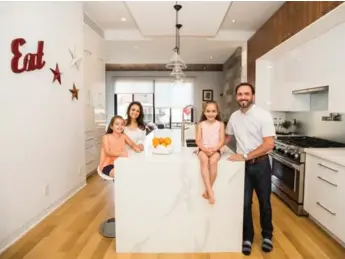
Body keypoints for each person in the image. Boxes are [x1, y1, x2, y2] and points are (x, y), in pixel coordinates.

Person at [224, 82, 275, 256]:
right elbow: (227, 137)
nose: (243, 97)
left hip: (260, 165)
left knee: (264, 202)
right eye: (240, 94)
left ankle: (267, 235)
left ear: (252, 96)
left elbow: (269, 144)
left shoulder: (263, 115)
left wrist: (246, 156)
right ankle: (247, 237)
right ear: (237, 96)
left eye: (246, 94)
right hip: (242, 168)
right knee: (245, 204)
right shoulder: (233, 116)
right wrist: (209, 147)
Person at [196, 101, 225, 205]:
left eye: (213, 111)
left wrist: (214, 149)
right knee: (204, 160)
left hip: (216, 149)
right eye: (208, 111)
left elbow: (222, 140)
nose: (211, 113)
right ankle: (210, 192)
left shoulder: (220, 124)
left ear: (217, 112)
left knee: (213, 161)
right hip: (203, 149)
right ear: (204, 112)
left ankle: (207, 190)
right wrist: (204, 149)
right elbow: (198, 140)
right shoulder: (201, 124)